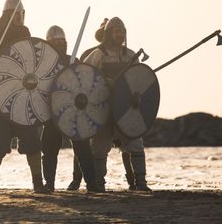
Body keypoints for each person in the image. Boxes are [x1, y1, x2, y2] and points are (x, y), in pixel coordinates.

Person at [0, 0, 50, 195]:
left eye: (21, 14)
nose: (19, 18)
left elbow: (35, 63)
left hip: (24, 97)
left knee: (32, 142)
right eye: (15, 14)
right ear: (7, 14)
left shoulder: (25, 35)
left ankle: (37, 183)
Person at [83, 17, 152, 192]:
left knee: (136, 143)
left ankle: (141, 183)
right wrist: (104, 82)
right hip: (103, 109)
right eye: (116, 31)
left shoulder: (130, 55)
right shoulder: (97, 55)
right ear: (108, 33)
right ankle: (99, 183)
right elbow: (84, 77)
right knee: (99, 147)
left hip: (126, 110)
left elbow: (139, 80)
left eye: (122, 31)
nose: (119, 35)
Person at [41, 26, 99, 193]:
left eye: (63, 42)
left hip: (74, 112)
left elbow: (86, 83)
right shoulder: (43, 64)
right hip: (52, 112)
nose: (60, 44)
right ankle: (49, 184)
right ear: (49, 43)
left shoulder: (73, 61)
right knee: (49, 148)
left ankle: (92, 184)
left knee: (83, 148)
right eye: (56, 42)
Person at [67, 17, 107, 191]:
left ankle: (135, 183)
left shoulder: (125, 54)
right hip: (87, 104)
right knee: (82, 144)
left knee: (124, 145)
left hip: (109, 105)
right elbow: (81, 78)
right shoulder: (91, 54)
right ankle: (78, 180)